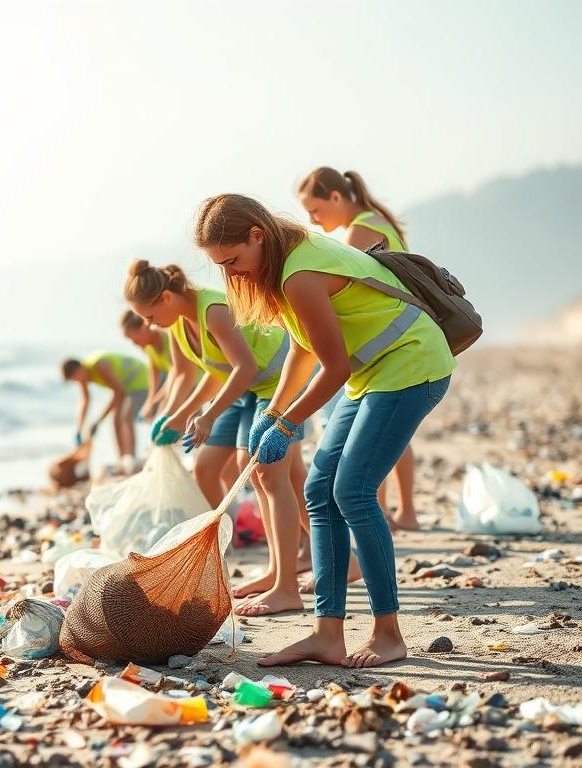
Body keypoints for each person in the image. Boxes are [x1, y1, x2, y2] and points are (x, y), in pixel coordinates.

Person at [194, 193, 454, 668]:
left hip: (413, 364)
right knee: (318, 489)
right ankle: (326, 635)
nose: (231, 274)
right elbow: (302, 350)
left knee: (353, 491)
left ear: (257, 235)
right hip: (372, 375)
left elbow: (332, 367)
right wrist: (272, 414)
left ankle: (388, 634)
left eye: (233, 261)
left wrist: (289, 424)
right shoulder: (284, 265)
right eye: (221, 267)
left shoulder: (300, 271)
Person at [124, 259, 311, 617]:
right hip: (245, 392)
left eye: (148, 315)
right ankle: (278, 569)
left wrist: (208, 415)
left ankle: (287, 584)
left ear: (165, 297)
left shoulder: (212, 309)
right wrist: (176, 416)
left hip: (275, 382)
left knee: (269, 474)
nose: (148, 326)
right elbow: (205, 373)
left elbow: (246, 368)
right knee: (214, 468)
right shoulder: (177, 324)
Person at [297, 167, 418, 531]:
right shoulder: (379, 221)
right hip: (401, 338)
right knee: (394, 433)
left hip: (380, 343)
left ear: (336, 197)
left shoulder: (360, 230)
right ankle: (404, 512)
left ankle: (381, 511)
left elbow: (344, 291)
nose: (313, 221)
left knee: (370, 433)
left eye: (315, 210)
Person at [61, 351, 148, 470]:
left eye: (75, 378)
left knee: (125, 417)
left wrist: (98, 421)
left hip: (141, 380)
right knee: (115, 420)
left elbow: (119, 392)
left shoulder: (99, 365)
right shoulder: (84, 375)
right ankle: (123, 460)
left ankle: (131, 459)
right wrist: (79, 428)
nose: (77, 382)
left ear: (79, 369)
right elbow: (85, 401)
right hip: (125, 387)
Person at [120, 309, 173, 420]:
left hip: (194, 384)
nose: (134, 343)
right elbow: (154, 372)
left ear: (144, 328)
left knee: (163, 415)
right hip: (176, 384)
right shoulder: (148, 347)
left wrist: (155, 401)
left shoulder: (167, 337)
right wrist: (150, 400)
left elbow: (177, 373)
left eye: (132, 338)